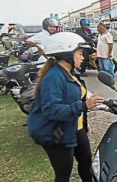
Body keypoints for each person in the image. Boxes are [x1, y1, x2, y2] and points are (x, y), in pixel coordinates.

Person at [27, 32, 104, 182]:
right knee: (64, 173)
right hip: (58, 132)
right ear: (67, 53)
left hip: (75, 127)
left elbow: (77, 99)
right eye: (80, 53)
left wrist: (85, 122)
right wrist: (84, 106)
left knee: (87, 164)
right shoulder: (54, 77)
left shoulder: (70, 73)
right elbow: (51, 109)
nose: (83, 58)